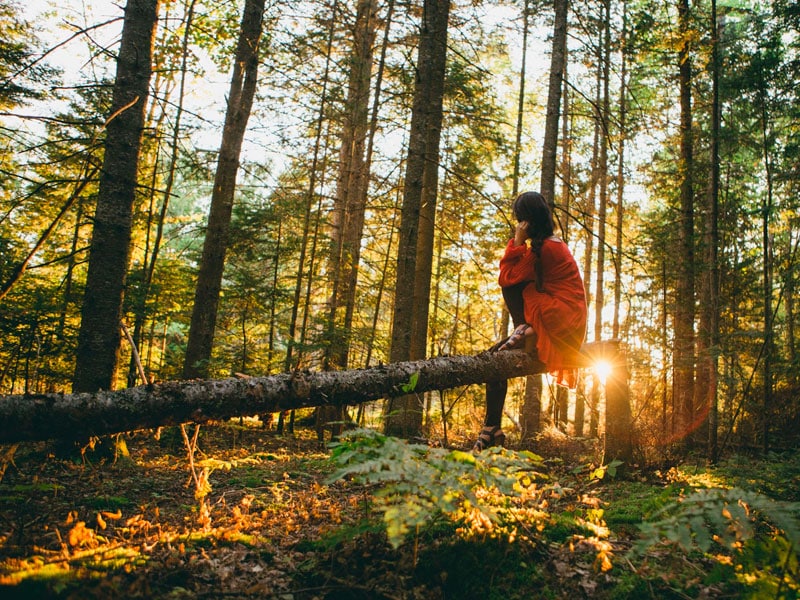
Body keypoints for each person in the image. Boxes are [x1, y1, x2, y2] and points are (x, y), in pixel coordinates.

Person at [473, 191, 587, 453]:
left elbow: (506, 276)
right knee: (496, 357)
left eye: (520, 220)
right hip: (564, 319)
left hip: (560, 319)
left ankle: (524, 328)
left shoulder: (545, 248)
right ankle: (492, 428)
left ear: (526, 220)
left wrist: (516, 241)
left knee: (514, 286)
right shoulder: (550, 243)